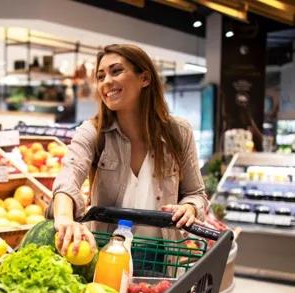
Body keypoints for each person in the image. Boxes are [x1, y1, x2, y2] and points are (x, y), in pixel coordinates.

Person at [50, 44, 209, 256]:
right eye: (100, 76)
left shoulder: (178, 132)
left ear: (145, 78)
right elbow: (69, 177)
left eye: (116, 71)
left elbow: (195, 193)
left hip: (162, 256)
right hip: (105, 253)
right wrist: (64, 219)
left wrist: (190, 208)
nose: (106, 81)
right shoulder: (94, 132)